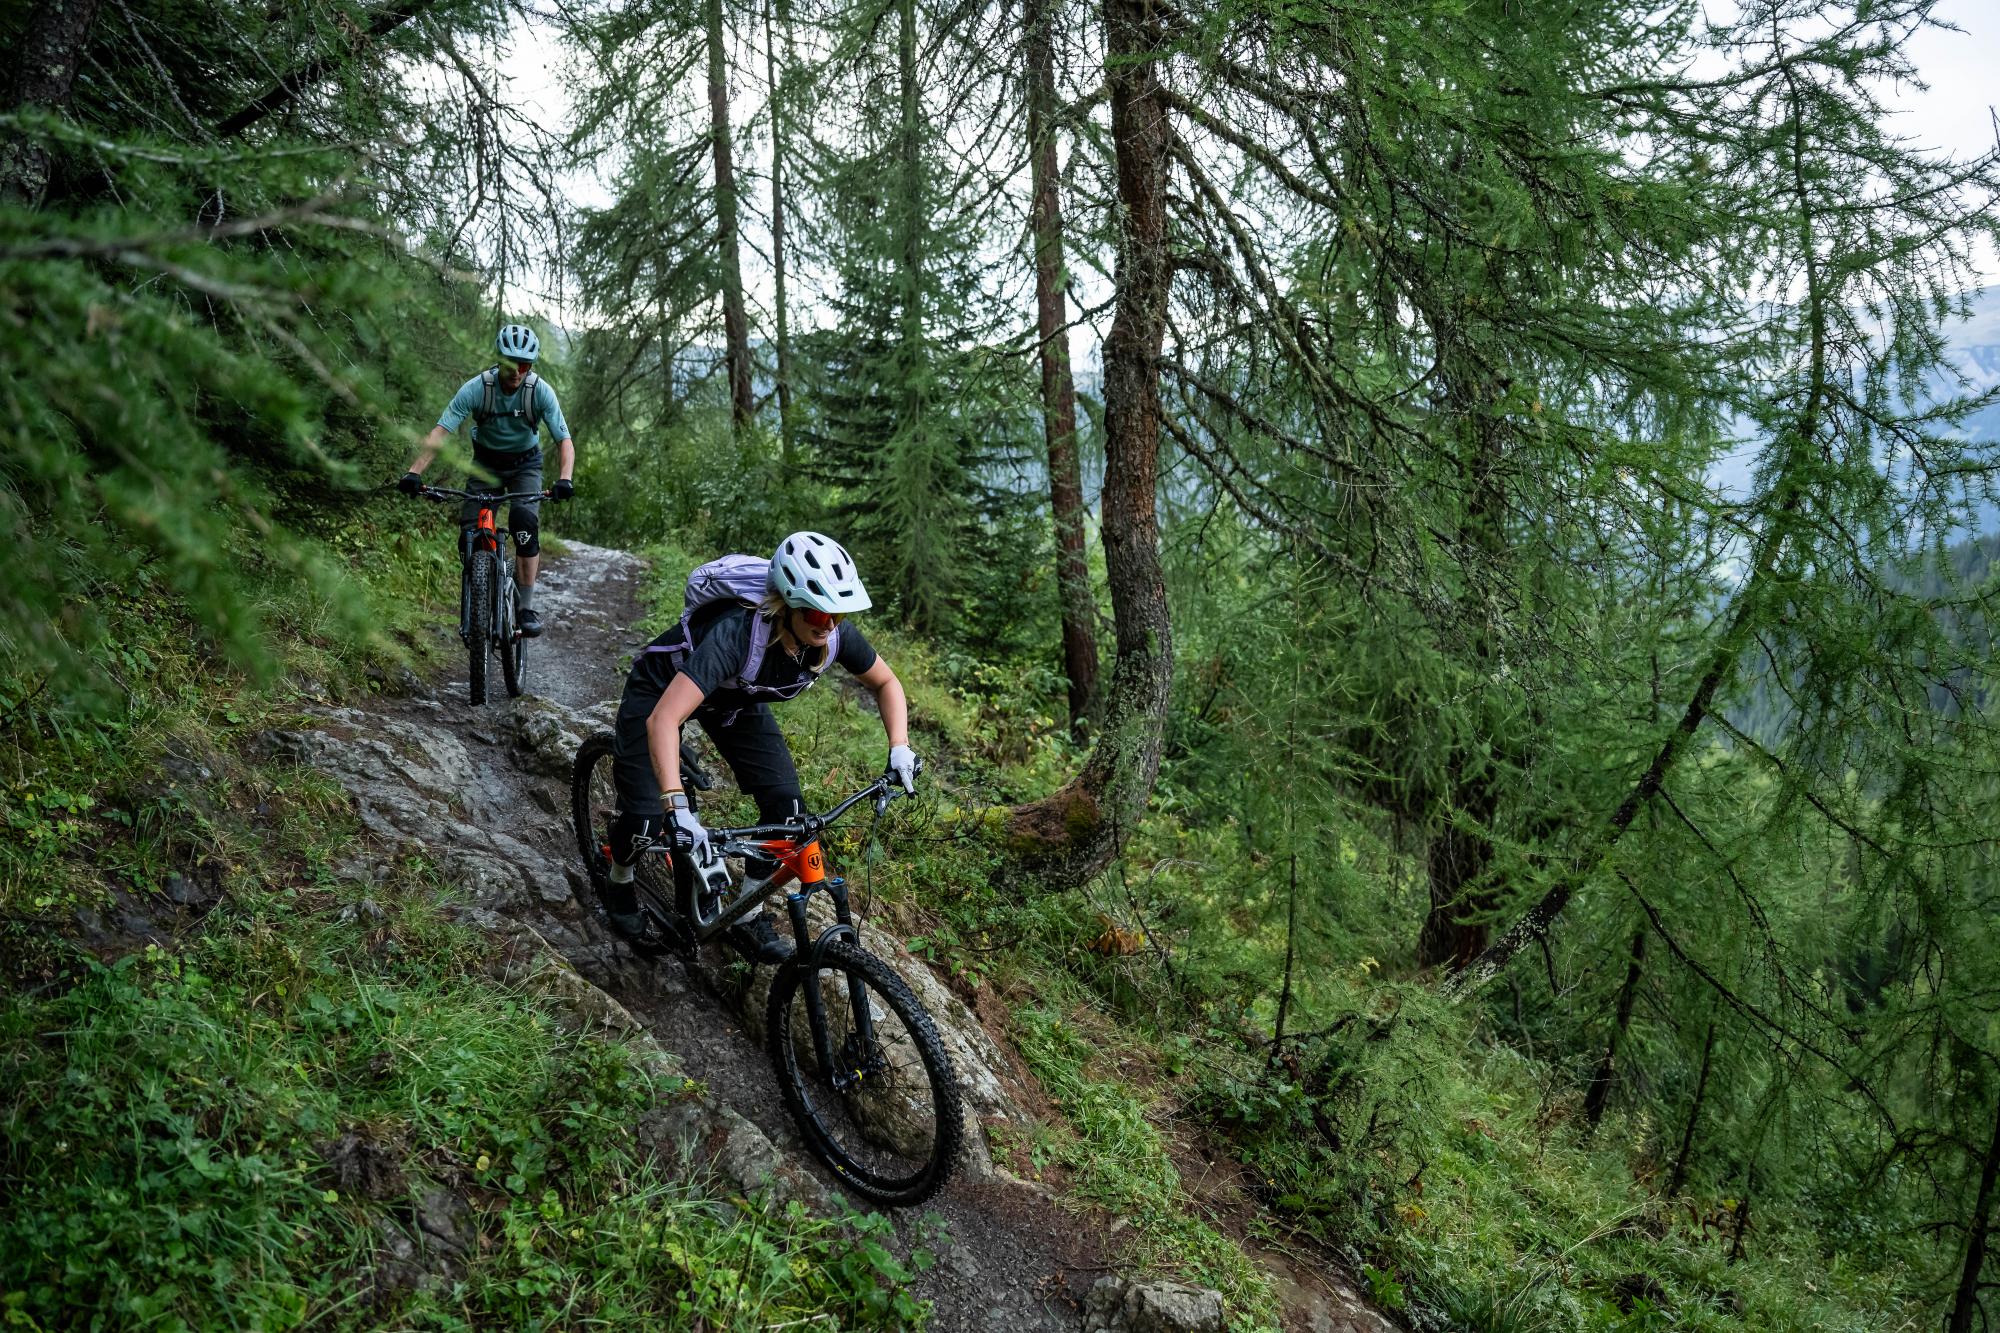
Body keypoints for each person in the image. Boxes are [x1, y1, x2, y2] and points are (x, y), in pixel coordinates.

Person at [600, 531, 919, 962]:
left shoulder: (831, 636)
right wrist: (675, 807)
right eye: (815, 614)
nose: (826, 626)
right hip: (661, 693)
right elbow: (664, 719)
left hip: (732, 701)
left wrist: (899, 746)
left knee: (786, 811)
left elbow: (886, 682)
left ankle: (745, 915)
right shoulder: (736, 635)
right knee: (645, 820)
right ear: (787, 604)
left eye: (836, 616)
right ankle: (619, 878)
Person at [398, 324, 575, 637]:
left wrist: (565, 478)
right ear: (499, 360)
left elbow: (564, 440)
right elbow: (441, 432)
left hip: (525, 466)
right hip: (486, 465)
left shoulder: (539, 392)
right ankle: (478, 593)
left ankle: (525, 607)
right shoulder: (478, 389)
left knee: (523, 523)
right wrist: (415, 471)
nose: (517, 371)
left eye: (525, 365)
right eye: (511, 364)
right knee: (470, 533)